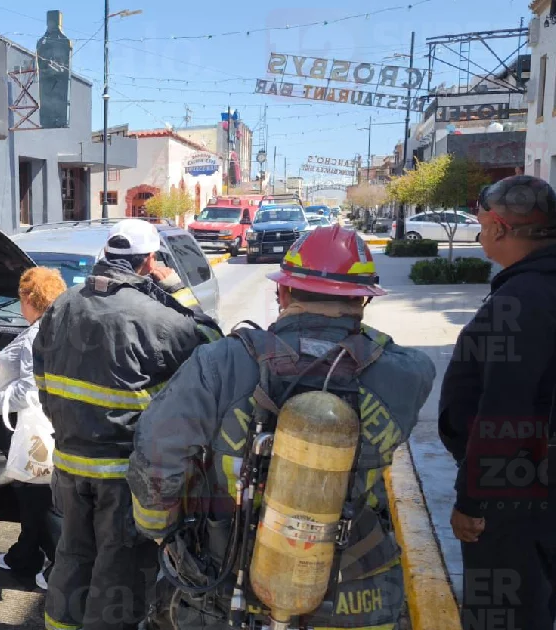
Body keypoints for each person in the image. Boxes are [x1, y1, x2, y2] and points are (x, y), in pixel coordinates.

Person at [129, 225, 436, 629]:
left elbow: (156, 451)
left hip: (231, 583)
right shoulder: (410, 373)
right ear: (362, 299)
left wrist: (159, 528)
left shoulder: (220, 363)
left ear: (283, 293)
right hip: (358, 592)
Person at [32, 219, 222, 630]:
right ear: (149, 261)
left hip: (68, 463)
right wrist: (176, 291)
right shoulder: (158, 317)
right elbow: (213, 346)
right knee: (117, 567)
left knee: (72, 555)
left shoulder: (62, 305)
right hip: (123, 473)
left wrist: (66, 424)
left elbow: (42, 376)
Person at [439, 175, 556, 630]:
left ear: (500, 228)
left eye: (482, 224)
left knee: (501, 613)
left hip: (513, 490)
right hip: (555, 481)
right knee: (534, 592)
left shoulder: (526, 299)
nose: (480, 233)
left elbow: (505, 411)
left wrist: (473, 501)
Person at [0, 267, 68, 591]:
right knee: (34, 496)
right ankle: (24, 556)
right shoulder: (55, 328)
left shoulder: (36, 336)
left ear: (29, 298)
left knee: (38, 499)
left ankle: (63, 572)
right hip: (45, 423)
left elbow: (30, 388)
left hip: (25, 427)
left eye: (20, 297)